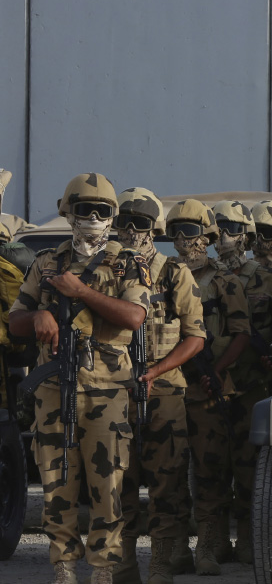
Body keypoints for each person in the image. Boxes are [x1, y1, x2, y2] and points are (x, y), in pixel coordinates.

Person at [9, 173, 151, 584]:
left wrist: (82, 292)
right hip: (54, 389)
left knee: (107, 485)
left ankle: (103, 568)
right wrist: (38, 316)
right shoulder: (46, 262)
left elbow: (134, 317)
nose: (92, 217)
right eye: (84, 209)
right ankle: (64, 566)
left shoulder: (127, 263)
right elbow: (14, 320)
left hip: (107, 392)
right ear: (67, 212)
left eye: (101, 210)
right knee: (57, 483)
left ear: (112, 216)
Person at [112, 188, 206, 584]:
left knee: (167, 484)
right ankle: (123, 564)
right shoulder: (106, 270)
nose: (133, 230)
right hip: (113, 391)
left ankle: (162, 564)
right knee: (118, 482)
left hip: (163, 392)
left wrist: (156, 371)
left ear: (155, 228)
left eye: (142, 223)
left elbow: (195, 337)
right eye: (125, 222)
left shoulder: (173, 273)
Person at [166, 199, 251, 575]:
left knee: (209, 472)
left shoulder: (224, 281)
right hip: (168, 388)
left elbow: (241, 333)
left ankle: (208, 546)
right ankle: (175, 547)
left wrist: (216, 370)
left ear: (207, 236)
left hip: (207, 390)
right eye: (176, 232)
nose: (184, 240)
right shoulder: (161, 276)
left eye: (191, 231)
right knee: (168, 473)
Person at [212, 199, 272, 563]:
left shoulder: (266, 278)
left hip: (251, 385)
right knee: (210, 466)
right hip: (209, 383)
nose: (225, 235)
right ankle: (213, 540)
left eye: (233, 228)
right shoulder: (202, 275)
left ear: (246, 235)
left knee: (249, 467)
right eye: (219, 228)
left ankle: (247, 539)